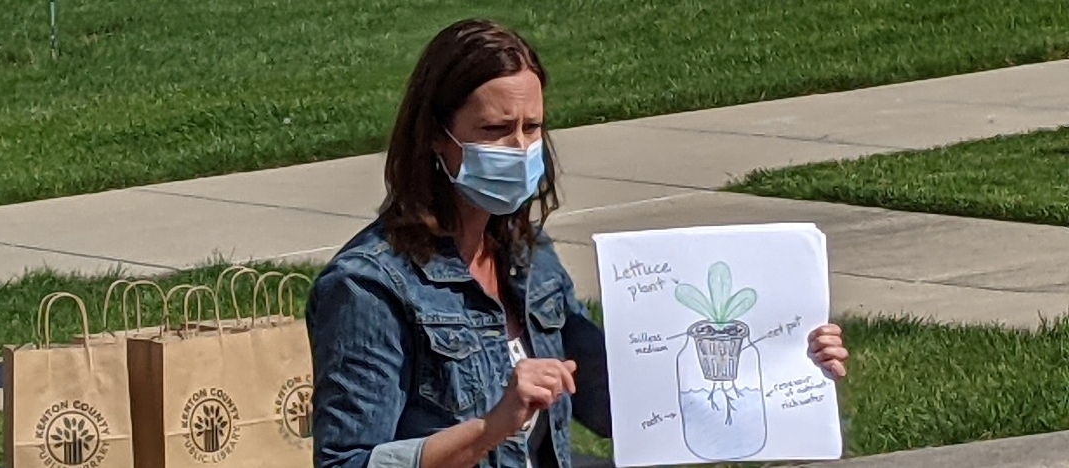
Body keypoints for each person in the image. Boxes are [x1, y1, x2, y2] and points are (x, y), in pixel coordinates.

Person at [303, 18, 850, 468]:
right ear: (434, 141)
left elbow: (618, 407)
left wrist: (786, 365)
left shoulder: (527, 256)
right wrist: (492, 427)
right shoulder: (367, 287)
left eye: (532, 127)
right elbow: (348, 464)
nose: (519, 148)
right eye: (495, 130)